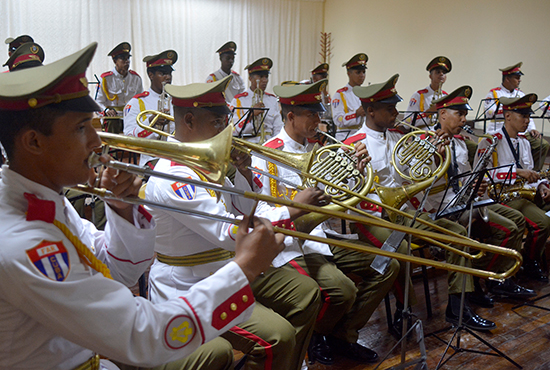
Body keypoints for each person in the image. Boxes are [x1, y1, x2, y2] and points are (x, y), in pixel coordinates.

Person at [0, 42, 284, 369]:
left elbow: (116, 271)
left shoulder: (43, 201)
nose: (98, 141)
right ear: (34, 142)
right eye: (82, 128)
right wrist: (244, 268)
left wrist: (122, 213)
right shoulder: (23, 240)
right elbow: (141, 334)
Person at [146, 77, 323, 370]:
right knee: (277, 338)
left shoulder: (203, 160)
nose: (226, 131)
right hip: (187, 287)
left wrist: (242, 172)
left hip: (219, 275)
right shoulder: (172, 175)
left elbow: (243, 209)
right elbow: (227, 232)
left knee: (285, 333)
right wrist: (293, 209)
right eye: (218, 122)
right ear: (189, 120)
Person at [251, 79, 399, 365]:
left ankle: (342, 335)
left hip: (323, 235)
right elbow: (263, 208)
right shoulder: (268, 153)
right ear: (291, 116)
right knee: (343, 290)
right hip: (291, 242)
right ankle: (318, 335)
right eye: (312, 115)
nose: (318, 122)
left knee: (387, 264)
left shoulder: (322, 148)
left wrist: (354, 172)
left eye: (319, 115)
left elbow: (339, 196)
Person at [347, 75, 496, 332]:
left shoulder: (399, 137)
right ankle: (402, 313)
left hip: (405, 212)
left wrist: (436, 157)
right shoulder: (352, 144)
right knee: (399, 246)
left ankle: (458, 309)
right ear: (370, 111)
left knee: (458, 234)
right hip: (373, 216)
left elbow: (420, 178)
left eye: (395, 107)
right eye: (389, 109)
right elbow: (351, 195)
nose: (396, 113)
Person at [429, 86, 534, 301]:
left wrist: (477, 184)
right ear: (442, 114)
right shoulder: (425, 142)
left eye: (465, 114)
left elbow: (466, 176)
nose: (464, 120)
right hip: (443, 209)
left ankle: (495, 278)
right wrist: (433, 156)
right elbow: (421, 186)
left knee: (515, 221)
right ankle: (482, 278)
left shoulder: (459, 143)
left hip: (467, 202)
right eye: (460, 114)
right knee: (507, 229)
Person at [476, 93, 550, 282]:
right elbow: (480, 176)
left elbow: (530, 173)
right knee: (542, 223)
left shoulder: (524, 142)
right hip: (499, 198)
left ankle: (529, 261)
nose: (527, 121)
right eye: (522, 116)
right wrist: (516, 172)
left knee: (545, 216)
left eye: (528, 116)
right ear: (507, 116)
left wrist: (540, 185)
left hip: (520, 196)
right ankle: (522, 264)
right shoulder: (490, 141)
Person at [484, 63, 549, 171]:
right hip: (499, 128)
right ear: (507, 79)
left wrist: (532, 128)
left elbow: (527, 114)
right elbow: (489, 113)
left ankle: (533, 172)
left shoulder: (521, 94)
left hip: (520, 131)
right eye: (517, 78)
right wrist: (509, 111)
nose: (519, 80)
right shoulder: (494, 93)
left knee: (543, 144)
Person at [124, 49, 176, 167]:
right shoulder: (137, 102)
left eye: (169, 73)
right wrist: (151, 123)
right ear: (151, 75)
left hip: (176, 155)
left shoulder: (176, 100)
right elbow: (128, 138)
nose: (168, 77)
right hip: (152, 158)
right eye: (163, 73)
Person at [230, 57, 283, 144]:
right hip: (248, 145)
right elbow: (233, 130)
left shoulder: (272, 100)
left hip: (269, 145)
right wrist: (251, 114)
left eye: (266, 77)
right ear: (250, 78)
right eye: (261, 77)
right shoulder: (239, 100)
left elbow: (278, 127)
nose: (264, 80)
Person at [96, 42, 143, 134]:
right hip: (114, 117)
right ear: (115, 61)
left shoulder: (136, 78)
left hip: (131, 115)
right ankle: (112, 148)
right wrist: (106, 110)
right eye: (123, 59)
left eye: (128, 58)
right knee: (112, 123)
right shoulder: (106, 79)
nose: (127, 61)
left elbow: (140, 100)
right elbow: (98, 101)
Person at [404, 56, 451, 130]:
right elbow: (407, 123)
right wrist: (428, 112)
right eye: (438, 72)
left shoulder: (446, 97)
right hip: (422, 135)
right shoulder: (419, 95)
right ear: (430, 76)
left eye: (444, 73)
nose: (441, 74)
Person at [331, 53, 368, 141]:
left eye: (363, 72)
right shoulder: (340, 94)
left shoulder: (366, 93)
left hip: (363, 137)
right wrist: (356, 114)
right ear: (349, 74)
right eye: (358, 72)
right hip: (346, 138)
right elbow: (337, 120)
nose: (362, 75)